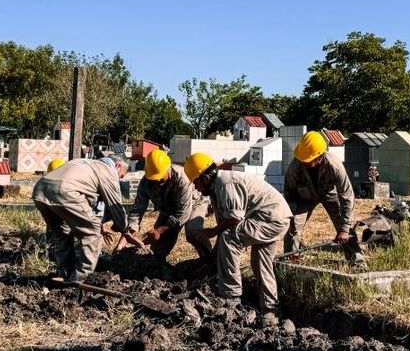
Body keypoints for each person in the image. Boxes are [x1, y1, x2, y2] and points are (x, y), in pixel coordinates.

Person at [183, 152, 290, 324]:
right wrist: (215, 257)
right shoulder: (217, 187)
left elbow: (233, 220)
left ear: (205, 178)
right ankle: (271, 310)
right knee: (261, 262)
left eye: (196, 182)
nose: (196, 187)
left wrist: (211, 231)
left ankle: (231, 296)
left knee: (229, 235)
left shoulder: (226, 183)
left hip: (271, 219)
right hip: (273, 218)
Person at [31, 156, 129, 282]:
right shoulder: (108, 171)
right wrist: (125, 229)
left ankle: (65, 273)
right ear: (118, 166)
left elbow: (88, 209)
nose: (119, 179)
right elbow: (115, 205)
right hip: (65, 192)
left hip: (40, 190)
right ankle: (81, 279)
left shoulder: (86, 163)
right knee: (93, 234)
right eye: (121, 176)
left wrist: (100, 223)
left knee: (62, 232)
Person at [283, 131, 364, 266]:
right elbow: (289, 192)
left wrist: (344, 228)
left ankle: (357, 263)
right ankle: (289, 263)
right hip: (303, 197)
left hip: (328, 194)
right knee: (293, 227)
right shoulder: (296, 165)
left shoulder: (334, 166)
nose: (304, 162)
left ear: (320, 156)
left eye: (308, 160)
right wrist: (289, 216)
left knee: (345, 228)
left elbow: (347, 195)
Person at [128, 149, 201, 264]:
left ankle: (210, 261)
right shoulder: (146, 182)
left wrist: (159, 230)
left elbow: (182, 213)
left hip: (193, 202)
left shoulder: (182, 179)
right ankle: (158, 269)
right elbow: (138, 207)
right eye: (154, 178)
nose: (157, 180)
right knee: (157, 247)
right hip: (169, 208)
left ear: (168, 168)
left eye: (160, 176)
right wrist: (129, 232)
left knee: (194, 233)